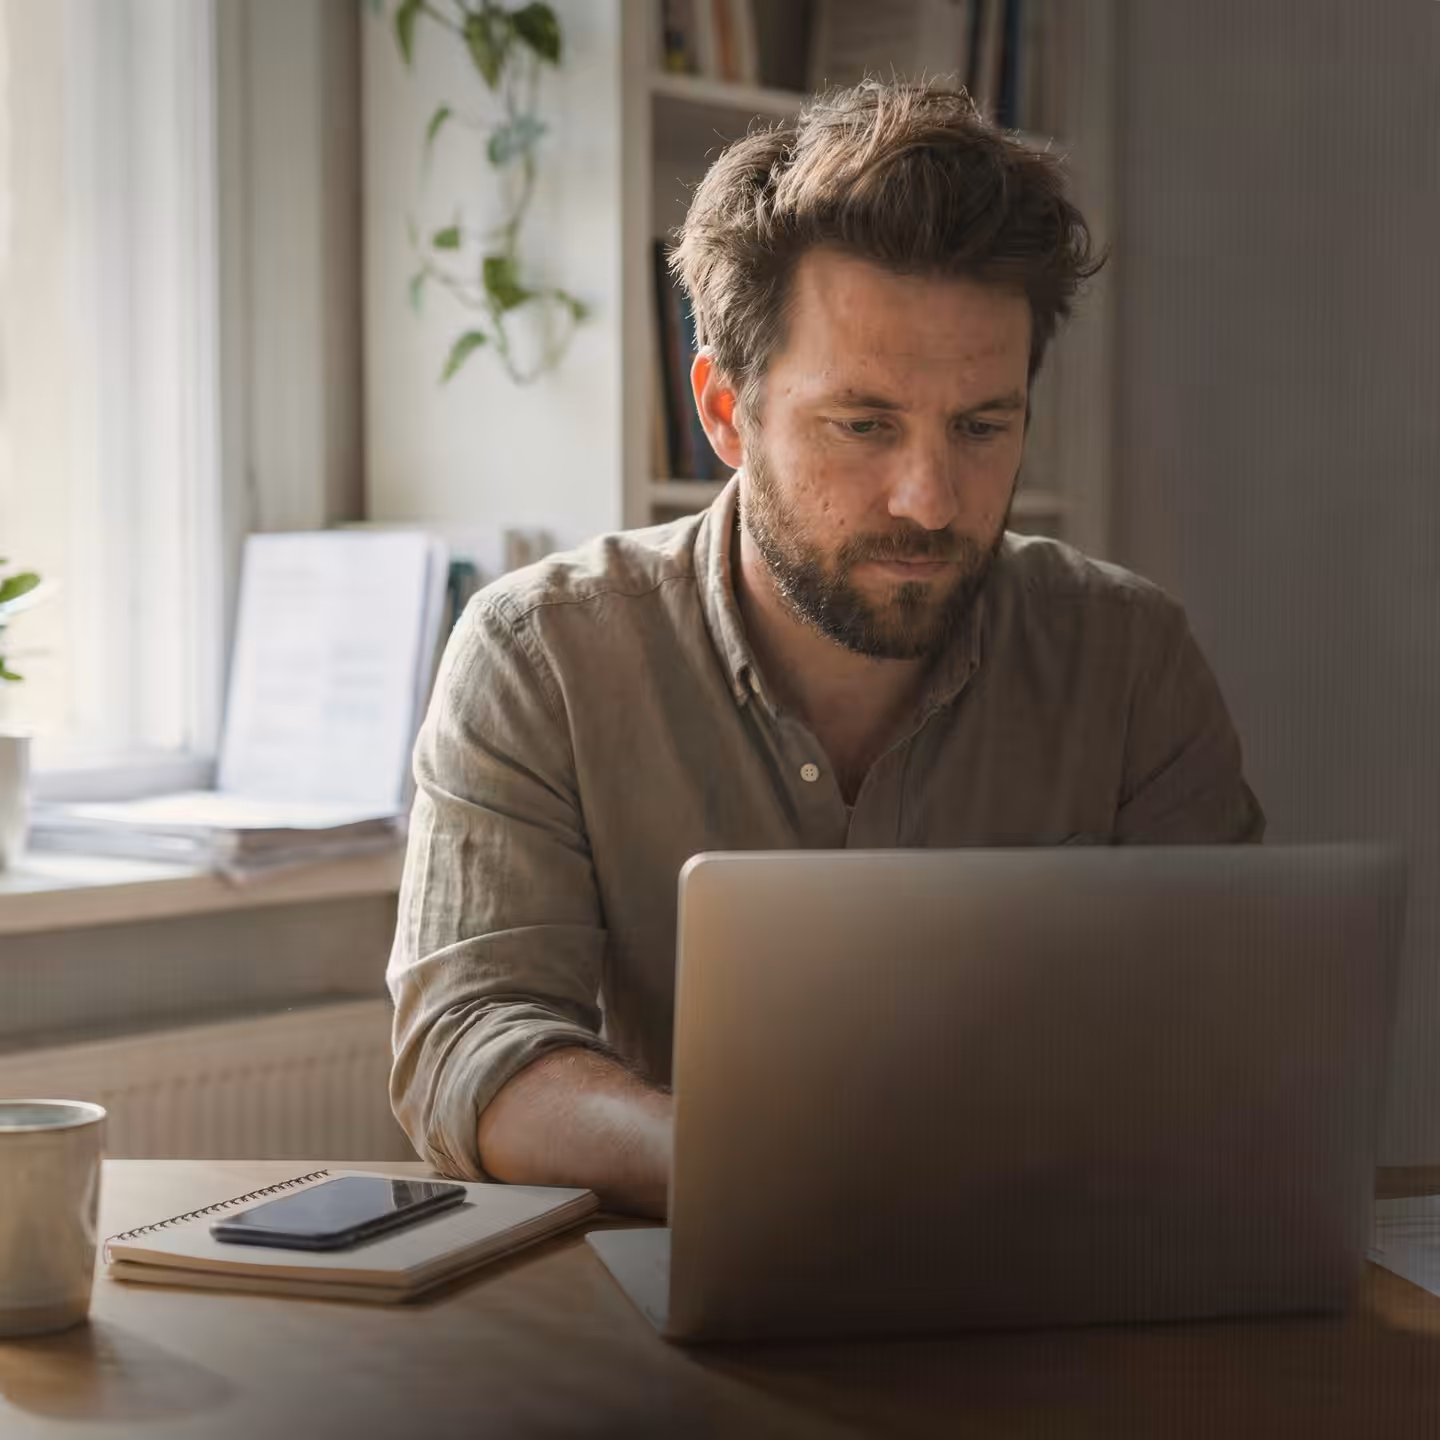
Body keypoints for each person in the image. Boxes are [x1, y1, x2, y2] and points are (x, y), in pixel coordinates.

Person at [386, 81, 1265, 1218]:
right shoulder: (540, 654)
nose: (930, 499)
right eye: (863, 425)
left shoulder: (1128, 655)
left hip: (1052, 1294)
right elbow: (469, 1046)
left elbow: (1241, 1025)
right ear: (721, 408)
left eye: (982, 426)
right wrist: (758, 1170)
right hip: (681, 1310)